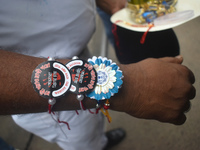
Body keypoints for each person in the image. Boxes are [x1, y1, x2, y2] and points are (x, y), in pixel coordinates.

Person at [0, 1, 196, 150]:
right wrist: (133, 86)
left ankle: (101, 140)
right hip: (44, 100)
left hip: (79, 56)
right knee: (84, 139)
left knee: (96, 122)